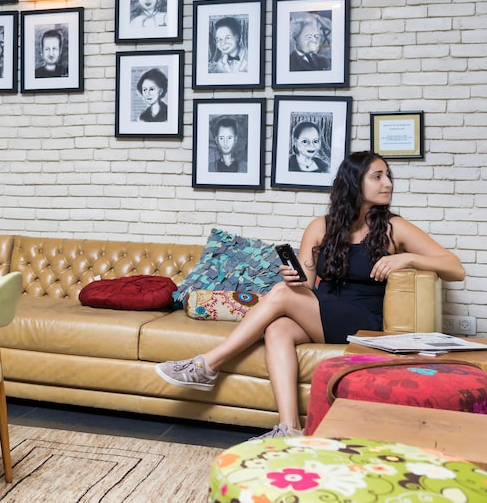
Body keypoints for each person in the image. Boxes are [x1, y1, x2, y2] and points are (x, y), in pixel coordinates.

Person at [155, 151, 465, 439]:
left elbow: (454, 267)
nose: (388, 183)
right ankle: (289, 427)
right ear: (354, 183)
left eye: (388, 176)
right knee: (277, 327)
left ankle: (207, 365)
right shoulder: (320, 227)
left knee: (278, 295)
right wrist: (294, 281)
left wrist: (406, 258)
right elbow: (305, 286)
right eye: (378, 176)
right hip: (325, 313)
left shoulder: (394, 228)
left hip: (365, 322)